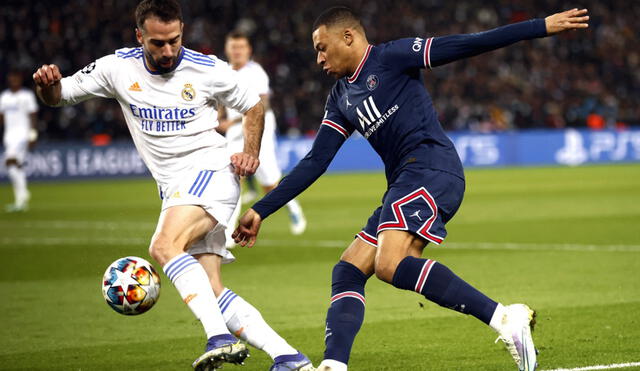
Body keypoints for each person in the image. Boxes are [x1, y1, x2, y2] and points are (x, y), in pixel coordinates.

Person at [233, 6, 589, 371]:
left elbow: (468, 44)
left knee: (390, 264)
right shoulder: (341, 97)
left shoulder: (392, 57)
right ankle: (334, 365)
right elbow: (315, 162)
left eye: (323, 48)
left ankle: (504, 319)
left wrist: (539, 27)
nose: (319, 58)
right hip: (405, 182)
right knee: (349, 268)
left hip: (432, 168)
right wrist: (262, 209)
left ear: (349, 37)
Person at [32, 1, 312, 370]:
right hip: (175, 189)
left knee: (164, 245)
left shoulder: (207, 68)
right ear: (139, 37)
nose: (167, 51)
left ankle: (219, 338)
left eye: (174, 41)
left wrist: (250, 153)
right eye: (157, 43)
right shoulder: (117, 68)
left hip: (211, 171)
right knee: (211, 290)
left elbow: (254, 105)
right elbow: (60, 96)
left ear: (183, 31)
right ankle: (289, 357)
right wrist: (47, 87)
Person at [218, 31, 306, 245]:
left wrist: (232, 121)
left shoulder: (256, 72)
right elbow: (219, 101)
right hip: (234, 131)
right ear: (228, 49)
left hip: (259, 127)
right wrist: (219, 119)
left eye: (241, 47)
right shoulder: (221, 72)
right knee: (232, 174)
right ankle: (229, 231)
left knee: (269, 183)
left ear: (248, 50)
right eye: (234, 47)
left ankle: (293, 208)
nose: (237, 51)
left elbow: (263, 105)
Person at [1, 70, 38, 212]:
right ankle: (21, 198)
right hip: (9, 136)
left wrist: (33, 135)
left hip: (22, 134)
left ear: (20, 79)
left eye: (15, 78)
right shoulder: (4, 97)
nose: (13, 81)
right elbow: (2, 118)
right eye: (11, 78)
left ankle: (22, 196)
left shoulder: (27, 96)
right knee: (15, 167)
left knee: (10, 161)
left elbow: (33, 116)